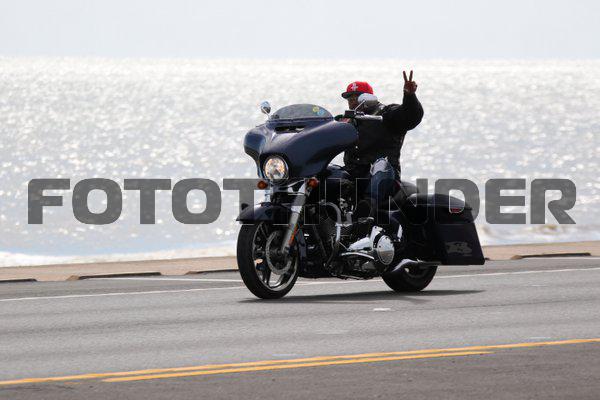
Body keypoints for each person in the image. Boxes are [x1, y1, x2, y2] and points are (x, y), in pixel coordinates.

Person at [338, 71, 423, 215]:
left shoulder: (385, 114)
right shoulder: (347, 120)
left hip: (382, 176)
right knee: (330, 172)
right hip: (354, 174)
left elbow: (409, 116)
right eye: (349, 98)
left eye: (356, 97)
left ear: (368, 98)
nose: (352, 101)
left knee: (381, 165)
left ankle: (367, 210)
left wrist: (409, 97)